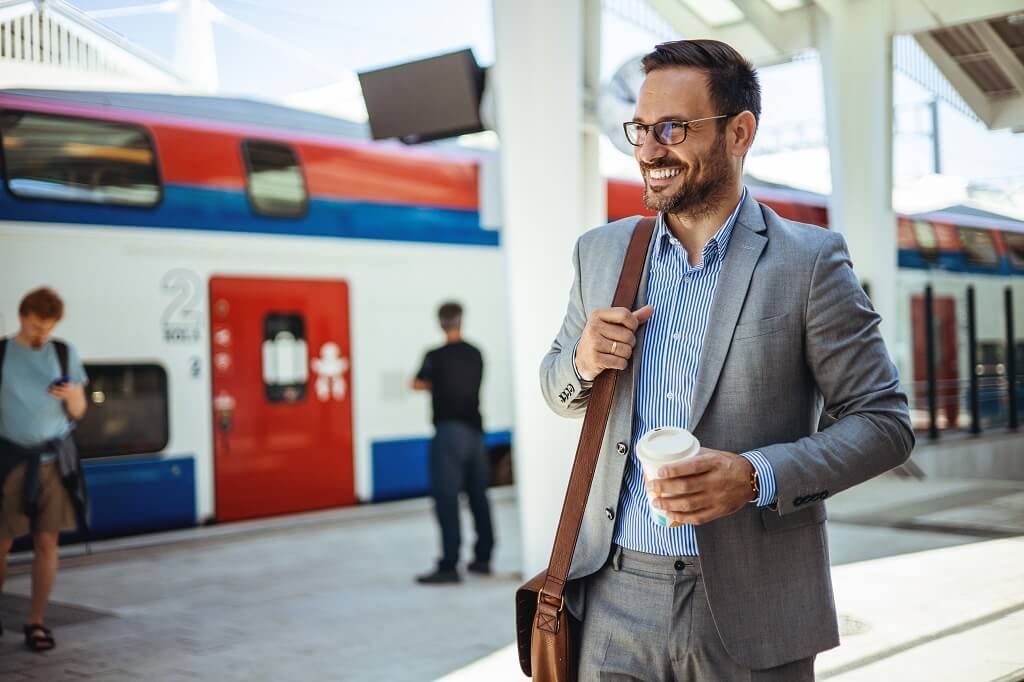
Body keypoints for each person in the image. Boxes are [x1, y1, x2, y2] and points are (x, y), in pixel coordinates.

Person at [540, 39, 914, 680]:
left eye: (672, 128)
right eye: (640, 129)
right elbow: (555, 389)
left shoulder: (809, 261)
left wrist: (754, 475)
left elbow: (884, 423)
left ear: (739, 133)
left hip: (753, 606)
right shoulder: (600, 253)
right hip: (612, 597)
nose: (648, 150)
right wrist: (581, 361)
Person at [0, 287, 90, 652]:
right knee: (1, 544)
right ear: (22, 317)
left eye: (49, 327)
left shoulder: (64, 353)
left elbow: (79, 411)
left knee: (47, 542)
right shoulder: (3, 353)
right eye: (37, 326)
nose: (42, 334)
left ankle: (35, 622)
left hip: (53, 464)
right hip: (9, 462)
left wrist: (72, 395)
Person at [412, 302, 495, 584]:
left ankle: (449, 565)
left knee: (447, 499)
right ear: (461, 321)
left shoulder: (434, 356)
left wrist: (436, 384)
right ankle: (483, 559)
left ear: (440, 323)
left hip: (448, 433)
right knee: (478, 496)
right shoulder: (475, 353)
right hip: (475, 434)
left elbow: (416, 383)